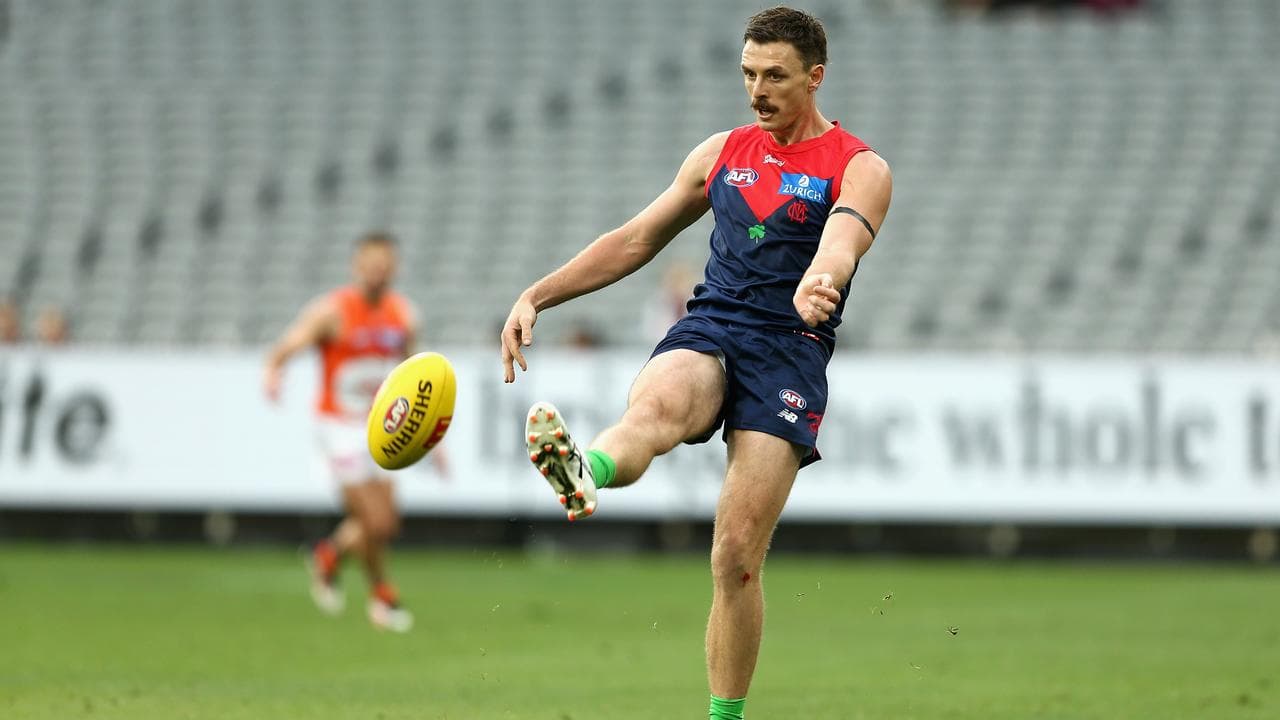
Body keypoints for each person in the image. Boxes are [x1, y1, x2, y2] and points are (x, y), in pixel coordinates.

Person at [499, 7, 892, 718]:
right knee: (656, 407)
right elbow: (636, 239)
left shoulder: (859, 166)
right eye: (748, 74)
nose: (758, 90)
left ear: (815, 76)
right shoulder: (721, 152)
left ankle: (724, 717)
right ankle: (587, 470)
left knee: (735, 554)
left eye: (775, 75)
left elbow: (842, 241)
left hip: (789, 351)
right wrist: (538, 294)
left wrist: (821, 277)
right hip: (713, 325)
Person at [264, 231, 438, 633]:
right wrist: (274, 368)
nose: (378, 270)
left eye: (385, 263)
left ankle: (328, 554)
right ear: (357, 266)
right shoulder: (334, 311)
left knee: (387, 524)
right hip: (338, 428)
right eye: (371, 262)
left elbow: (417, 376)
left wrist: (430, 432)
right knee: (375, 522)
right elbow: (294, 339)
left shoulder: (404, 314)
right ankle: (383, 596)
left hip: (382, 427)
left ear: (393, 267)